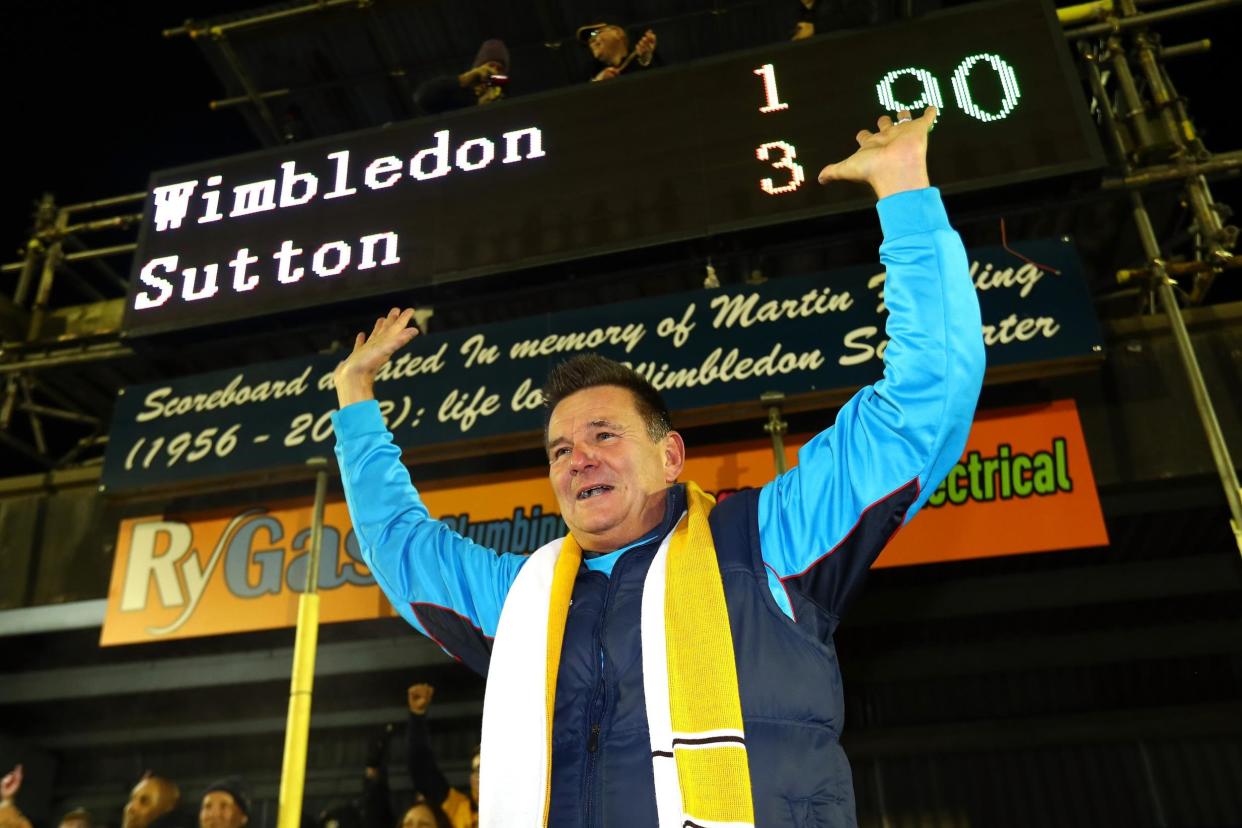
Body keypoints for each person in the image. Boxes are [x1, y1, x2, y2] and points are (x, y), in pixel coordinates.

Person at [331, 105, 985, 826]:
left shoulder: (767, 542)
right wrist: (355, 398)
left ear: (670, 455)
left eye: (604, 435)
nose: (578, 459)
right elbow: (397, 544)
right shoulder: (521, 602)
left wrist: (905, 196)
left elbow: (920, 409)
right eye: (559, 451)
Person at [405, 683, 477, 828]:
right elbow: (423, 771)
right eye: (477, 770)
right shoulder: (457, 807)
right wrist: (417, 716)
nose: (481, 778)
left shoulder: (523, 811)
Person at [413, 40, 509, 116]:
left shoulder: (506, 98)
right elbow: (423, 98)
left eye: (499, 69)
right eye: (490, 65)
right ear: (478, 68)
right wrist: (463, 80)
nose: (494, 71)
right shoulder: (459, 95)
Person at [575, 22, 659, 82]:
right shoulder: (588, 74)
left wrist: (645, 59)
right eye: (588, 40)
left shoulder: (640, 61)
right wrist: (598, 83)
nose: (591, 41)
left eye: (595, 33)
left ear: (617, 33)